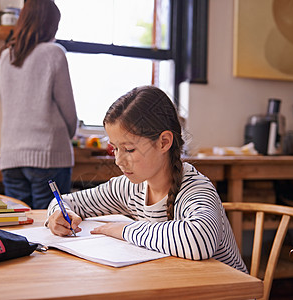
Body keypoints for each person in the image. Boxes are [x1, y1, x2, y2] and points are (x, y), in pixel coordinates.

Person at [46, 85, 247, 272]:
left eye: (129, 149)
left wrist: (125, 230)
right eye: (115, 148)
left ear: (164, 142)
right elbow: (67, 201)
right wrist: (58, 215)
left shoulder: (195, 189)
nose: (118, 160)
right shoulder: (129, 188)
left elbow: (199, 240)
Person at [0, 0, 77, 209]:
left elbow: (6, 102)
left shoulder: (6, 56)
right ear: (49, 25)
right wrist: (67, 137)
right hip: (48, 157)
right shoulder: (53, 53)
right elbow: (68, 111)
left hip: (11, 158)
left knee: (20, 226)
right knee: (51, 225)